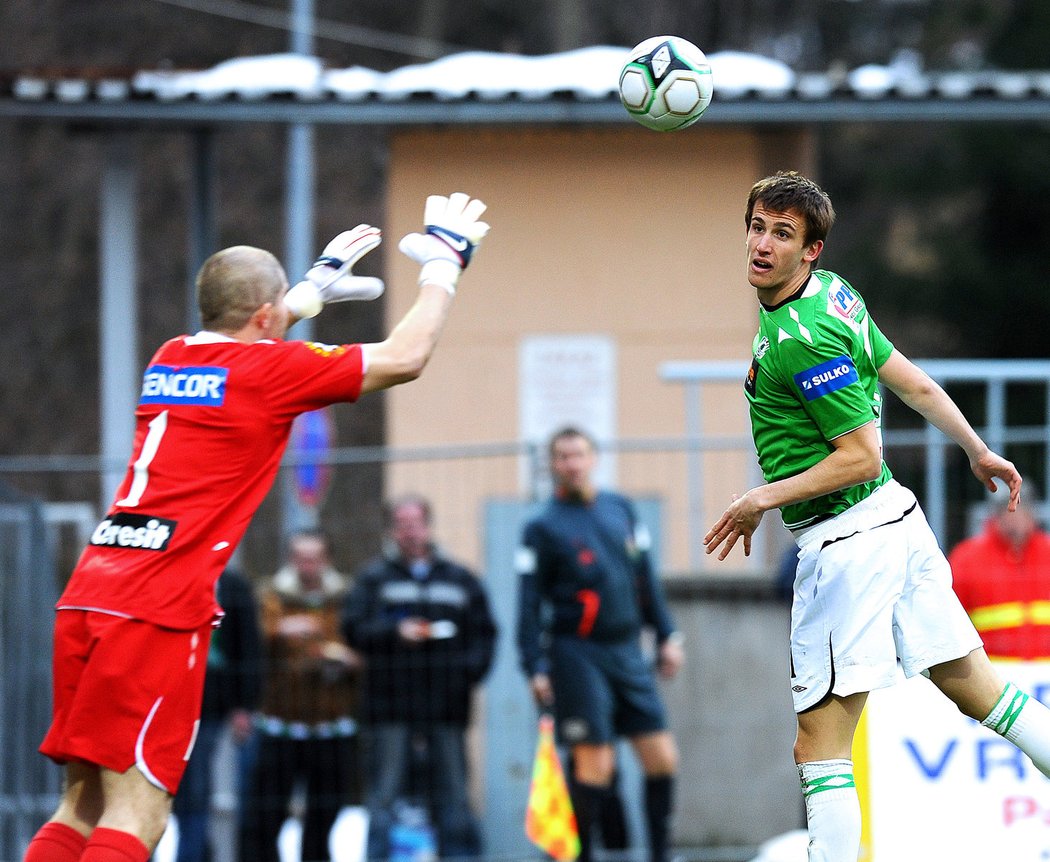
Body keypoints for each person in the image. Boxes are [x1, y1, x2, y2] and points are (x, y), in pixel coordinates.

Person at [22, 191, 491, 862]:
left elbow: (242, 332)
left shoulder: (170, 357)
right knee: (139, 815)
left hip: (92, 591)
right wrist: (445, 264)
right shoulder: (271, 371)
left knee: (82, 803)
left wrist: (303, 296)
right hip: (156, 610)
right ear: (267, 318)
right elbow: (405, 356)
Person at [703, 170, 1050, 861]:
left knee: (819, 746)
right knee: (980, 691)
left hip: (849, 541)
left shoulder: (801, 337)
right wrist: (976, 448)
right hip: (896, 522)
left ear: (812, 251)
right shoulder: (836, 296)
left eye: (783, 234)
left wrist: (758, 499)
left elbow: (860, 455)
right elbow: (909, 377)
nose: (762, 244)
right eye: (758, 227)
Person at [516, 427, 684, 862]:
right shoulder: (541, 527)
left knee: (662, 759)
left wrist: (667, 634)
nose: (572, 464)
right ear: (552, 466)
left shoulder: (621, 509)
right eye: (562, 457)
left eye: (579, 454)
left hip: (628, 650)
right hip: (576, 655)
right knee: (596, 766)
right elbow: (528, 605)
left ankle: (661, 855)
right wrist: (534, 666)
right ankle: (575, 856)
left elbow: (645, 579)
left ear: (593, 458)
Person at [341, 494, 497, 861]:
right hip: (389, 702)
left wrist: (465, 676)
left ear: (428, 526)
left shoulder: (460, 579)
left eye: (416, 523)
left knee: (453, 792)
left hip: (446, 703)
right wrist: (394, 633)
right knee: (384, 792)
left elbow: (485, 635)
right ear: (392, 530)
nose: (410, 532)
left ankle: (458, 855)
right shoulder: (373, 579)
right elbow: (352, 628)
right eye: (402, 524)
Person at [240, 530, 362, 862]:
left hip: (332, 722)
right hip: (281, 721)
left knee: (324, 815)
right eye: (300, 558)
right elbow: (249, 645)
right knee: (268, 815)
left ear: (327, 561)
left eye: (314, 558)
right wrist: (279, 630)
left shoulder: (347, 597)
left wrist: (348, 660)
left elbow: (364, 643)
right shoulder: (271, 597)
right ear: (290, 560)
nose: (307, 566)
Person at [172, 567, 262, 862]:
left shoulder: (234, 586)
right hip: (164, 702)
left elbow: (248, 646)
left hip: (209, 706)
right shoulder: (169, 576)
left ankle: (192, 854)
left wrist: (244, 705)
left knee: (196, 790)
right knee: (160, 790)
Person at [949, 483, 1050, 659]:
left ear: (1032, 513)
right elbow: (948, 621)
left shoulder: (1046, 552)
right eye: (1009, 510)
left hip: (1043, 674)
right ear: (996, 515)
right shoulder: (967, 559)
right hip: (992, 676)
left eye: (1022, 509)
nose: (1015, 518)